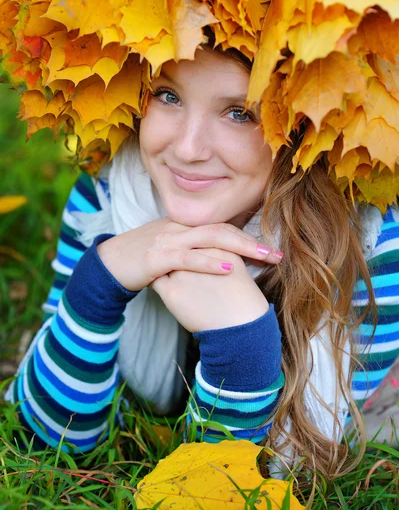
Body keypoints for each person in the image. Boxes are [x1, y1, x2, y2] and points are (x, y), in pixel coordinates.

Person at [6, 41, 399, 479]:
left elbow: (262, 480)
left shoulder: (368, 243)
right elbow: (42, 442)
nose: (189, 149)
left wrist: (241, 344)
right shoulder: (111, 197)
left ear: (306, 127)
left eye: (241, 112)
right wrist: (99, 282)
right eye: (168, 95)